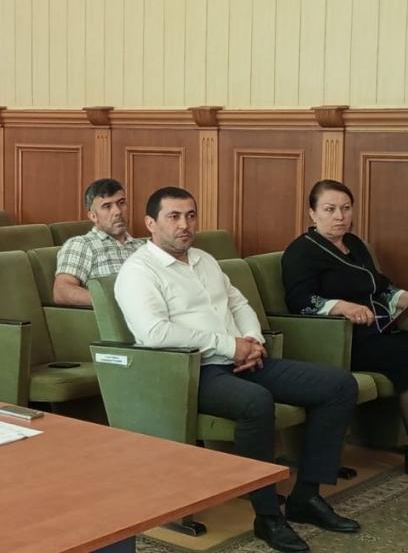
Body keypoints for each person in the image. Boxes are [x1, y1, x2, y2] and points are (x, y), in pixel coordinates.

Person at [114, 186, 360, 553]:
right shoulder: (138, 271)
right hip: (191, 372)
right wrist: (230, 345)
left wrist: (252, 340)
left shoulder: (204, 260)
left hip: (243, 358)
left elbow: (239, 303)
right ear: (150, 223)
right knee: (255, 401)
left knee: (339, 385)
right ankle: (267, 516)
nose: (184, 225)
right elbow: (154, 333)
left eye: (191, 216)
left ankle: (306, 497)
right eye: (174, 217)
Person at [282, 179, 408, 463]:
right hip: (344, 340)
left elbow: (381, 286)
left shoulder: (354, 243)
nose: (340, 216)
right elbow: (299, 301)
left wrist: (403, 297)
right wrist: (341, 306)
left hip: (380, 330)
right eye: (330, 209)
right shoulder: (301, 252)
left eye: (346, 208)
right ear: (313, 213)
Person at [53, 178, 145, 306]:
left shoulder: (142, 246)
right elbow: (62, 292)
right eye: (107, 206)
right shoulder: (82, 244)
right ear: (93, 216)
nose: (118, 211)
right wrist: (113, 302)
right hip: (119, 313)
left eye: (121, 203)